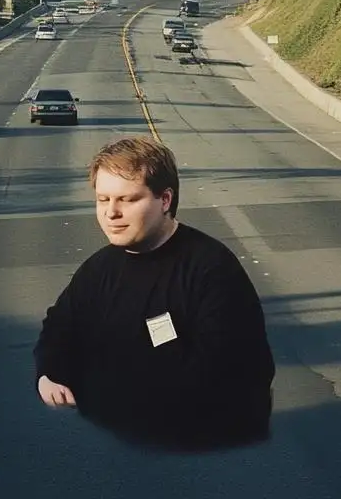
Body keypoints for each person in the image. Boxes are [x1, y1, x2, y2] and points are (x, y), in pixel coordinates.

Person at [35, 135, 273, 450]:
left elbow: (228, 371)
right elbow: (60, 326)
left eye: (128, 200)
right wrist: (48, 375)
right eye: (103, 199)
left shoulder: (211, 269)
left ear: (165, 200)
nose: (111, 213)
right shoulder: (99, 269)